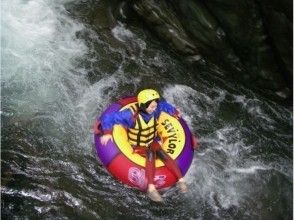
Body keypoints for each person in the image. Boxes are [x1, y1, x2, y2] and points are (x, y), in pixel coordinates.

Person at [100, 89, 188, 202]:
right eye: (151, 106)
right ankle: (151, 188)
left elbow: (164, 106)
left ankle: (181, 180)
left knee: (161, 152)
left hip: (151, 140)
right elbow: (108, 118)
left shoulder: (156, 110)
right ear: (142, 106)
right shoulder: (130, 115)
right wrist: (107, 133)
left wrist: (174, 112)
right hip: (137, 145)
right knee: (150, 153)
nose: (154, 108)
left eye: (154, 106)